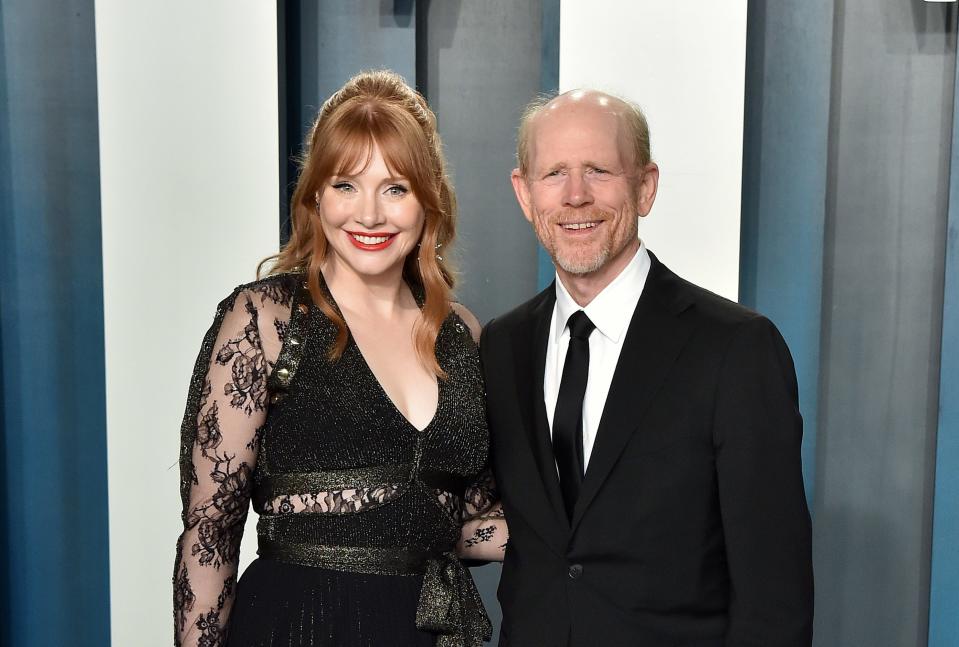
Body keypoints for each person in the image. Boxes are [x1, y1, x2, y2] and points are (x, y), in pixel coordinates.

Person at [173, 70, 505, 647]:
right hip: (298, 625)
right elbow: (211, 530)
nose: (370, 215)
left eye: (395, 188)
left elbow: (466, 524)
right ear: (316, 195)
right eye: (346, 185)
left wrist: (602, 525)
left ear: (429, 200)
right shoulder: (265, 320)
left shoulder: (460, 332)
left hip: (426, 629)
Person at [480, 90, 813, 646]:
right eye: (554, 173)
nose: (576, 196)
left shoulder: (735, 349)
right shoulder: (502, 346)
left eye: (599, 170)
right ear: (524, 192)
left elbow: (773, 599)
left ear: (645, 186)